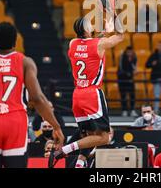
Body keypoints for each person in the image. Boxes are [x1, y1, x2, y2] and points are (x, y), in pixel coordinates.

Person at [0, 22, 64, 168]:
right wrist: (56, 126)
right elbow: (37, 98)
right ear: (15, 41)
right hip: (15, 123)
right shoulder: (25, 62)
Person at [51, 16, 124, 168]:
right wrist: (114, 16)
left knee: (89, 135)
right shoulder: (99, 44)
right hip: (92, 93)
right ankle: (65, 149)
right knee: (104, 137)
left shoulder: (72, 44)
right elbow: (120, 36)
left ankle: (79, 163)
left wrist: (100, 36)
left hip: (77, 94)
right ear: (85, 30)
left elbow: (88, 44)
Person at [117, 46, 137, 117]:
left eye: (131, 52)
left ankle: (132, 110)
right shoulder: (122, 57)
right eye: (128, 52)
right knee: (123, 96)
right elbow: (121, 68)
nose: (129, 53)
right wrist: (129, 74)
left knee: (132, 95)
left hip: (130, 80)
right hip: (122, 79)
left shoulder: (134, 58)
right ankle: (124, 110)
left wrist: (134, 72)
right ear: (126, 52)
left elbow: (134, 68)